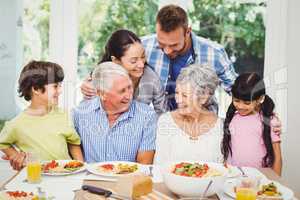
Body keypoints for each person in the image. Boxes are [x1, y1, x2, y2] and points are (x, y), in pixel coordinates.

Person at [142, 4, 237, 112]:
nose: (167, 50)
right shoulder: (143, 47)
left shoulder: (214, 53)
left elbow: (238, 91)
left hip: (202, 125)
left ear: (188, 31)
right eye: (161, 44)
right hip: (161, 124)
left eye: (174, 45)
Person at [0, 61, 83, 170]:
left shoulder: (62, 115)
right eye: (55, 86)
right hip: (37, 178)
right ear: (36, 89)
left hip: (66, 175)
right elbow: (3, 143)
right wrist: (16, 156)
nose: (60, 91)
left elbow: (73, 142)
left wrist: (81, 166)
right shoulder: (17, 124)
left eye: (60, 86)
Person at [72, 62, 156, 164]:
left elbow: (144, 165)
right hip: (89, 178)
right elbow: (72, 143)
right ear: (101, 94)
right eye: (122, 91)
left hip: (129, 178)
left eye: (129, 87)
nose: (129, 96)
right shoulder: (80, 113)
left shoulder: (147, 115)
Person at [81, 29, 166, 114]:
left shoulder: (151, 78)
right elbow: (87, 117)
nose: (141, 65)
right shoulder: (100, 81)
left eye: (143, 57)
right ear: (116, 61)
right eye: (133, 61)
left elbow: (162, 113)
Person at [154, 64, 223, 165]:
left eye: (185, 95)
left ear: (203, 97)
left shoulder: (220, 126)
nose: (178, 100)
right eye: (177, 93)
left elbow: (221, 170)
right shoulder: (166, 121)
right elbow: (159, 166)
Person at [221, 73, 282, 175]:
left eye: (247, 103)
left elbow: (277, 156)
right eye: (236, 100)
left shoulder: (270, 121)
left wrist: (276, 182)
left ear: (260, 99)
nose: (240, 106)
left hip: (260, 178)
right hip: (233, 176)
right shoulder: (233, 117)